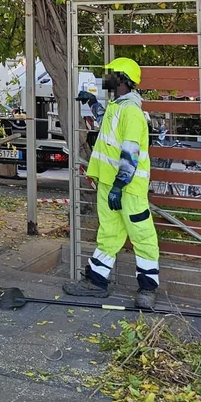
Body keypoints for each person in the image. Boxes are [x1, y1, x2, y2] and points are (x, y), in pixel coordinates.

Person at [63, 57, 160, 310]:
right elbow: (105, 120)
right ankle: (96, 282)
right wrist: (92, 102)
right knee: (109, 234)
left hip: (128, 189)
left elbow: (130, 153)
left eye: (111, 75)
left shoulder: (132, 112)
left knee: (142, 235)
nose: (106, 79)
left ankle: (148, 289)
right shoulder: (117, 107)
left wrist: (119, 185)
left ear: (123, 80)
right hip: (109, 185)